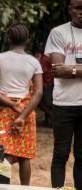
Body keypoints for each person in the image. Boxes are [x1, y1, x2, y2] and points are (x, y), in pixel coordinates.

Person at [0, 24, 43, 185]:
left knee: (4, 154)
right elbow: (38, 92)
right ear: (28, 40)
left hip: (5, 110)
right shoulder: (34, 62)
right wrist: (23, 113)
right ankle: (25, 188)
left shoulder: (0, 58)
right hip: (27, 110)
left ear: (9, 38)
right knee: (24, 156)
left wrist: (12, 105)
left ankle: (1, 186)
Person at [44, 0, 82, 188]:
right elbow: (58, 69)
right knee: (60, 154)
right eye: (77, 8)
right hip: (63, 104)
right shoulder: (58, 32)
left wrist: (72, 70)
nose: (81, 12)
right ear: (70, 9)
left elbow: (66, 69)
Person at [36, 41, 53, 127]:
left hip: (48, 83)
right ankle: (49, 118)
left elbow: (49, 71)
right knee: (42, 102)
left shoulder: (49, 57)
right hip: (42, 83)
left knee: (47, 103)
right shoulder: (41, 56)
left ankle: (51, 118)